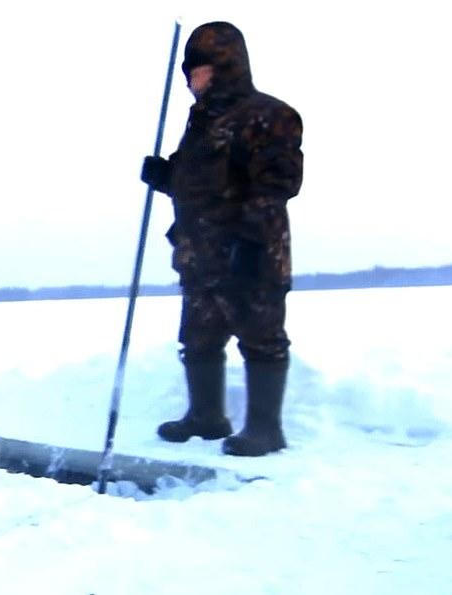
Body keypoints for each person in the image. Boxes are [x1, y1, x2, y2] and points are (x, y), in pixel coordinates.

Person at [140, 22, 303, 457]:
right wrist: (165, 176)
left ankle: (266, 431)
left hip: (250, 253)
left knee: (261, 337)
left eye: (197, 70)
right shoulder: (201, 124)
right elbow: (199, 184)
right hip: (200, 257)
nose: (190, 81)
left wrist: (249, 245)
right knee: (198, 337)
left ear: (222, 67)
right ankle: (207, 417)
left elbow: (277, 183)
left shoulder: (269, 115)